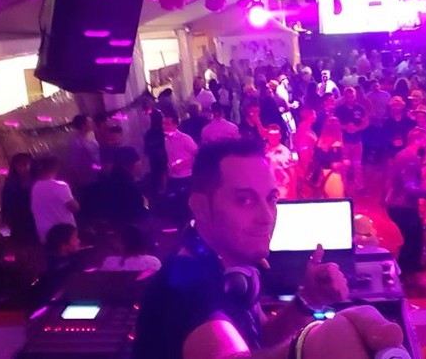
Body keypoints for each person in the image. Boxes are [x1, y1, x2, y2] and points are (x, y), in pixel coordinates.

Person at [133, 140, 403, 359]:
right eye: (244, 200)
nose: (267, 217)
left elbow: (260, 336)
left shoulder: (234, 267)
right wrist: (310, 347)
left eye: (271, 199)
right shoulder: (185, 287)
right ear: (201, 208)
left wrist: (309, 299)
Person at [385, 128, 426, 274]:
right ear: (419, 140)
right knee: (412, 240)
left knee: (410, 239)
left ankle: (408, 270)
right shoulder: (411, 159)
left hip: (397, 203)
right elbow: (410, 189)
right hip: (403, 206)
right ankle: (407, 273)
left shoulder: (403, 154)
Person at [31, 156, 79, 243]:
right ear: (55, 168)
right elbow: (74, 208)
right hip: (64, 233)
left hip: (45, 233)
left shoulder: (35, 187)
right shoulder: (60, 186)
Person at [164, 112, 200, 223]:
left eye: (167, 124)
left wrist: (185, 163)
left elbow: (198, 154)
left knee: (188, 205)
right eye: (163, 123)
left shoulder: (184, 138)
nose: (164, 126)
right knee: (177, 206)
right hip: (173, 177)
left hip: (186, 176)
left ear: (175, 125)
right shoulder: (165, 140)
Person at [335, 87, 369, 194]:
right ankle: (343, 188)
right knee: (344, 166)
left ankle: (359, 187)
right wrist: (345, 127)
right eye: (348, 96)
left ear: (355, 96)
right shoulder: (339, 109)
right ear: (344, 97)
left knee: (357, 165)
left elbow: (366, 122)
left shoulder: (360, 108)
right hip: (344, 141)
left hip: (357, 141)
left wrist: (357, 128)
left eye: (352, 96)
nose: (350, 99)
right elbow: (334, 124)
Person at [1, 153, 37, 243]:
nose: (24, 168)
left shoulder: (37, 181)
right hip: (17, 222)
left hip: (35, 220)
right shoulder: (11, 183)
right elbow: (5, 207)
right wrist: (5, 234)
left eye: (26, 164)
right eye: (20, 165)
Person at [311, 117, 347, 198]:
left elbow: (316, 156)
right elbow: (335, 164)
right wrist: (344, 163)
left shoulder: (319, 140)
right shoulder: (336, 144)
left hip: (320, 173)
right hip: (332, 175)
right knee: (336, 198)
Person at [67, 114, 100, 197]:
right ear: (83, 126)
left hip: (98, 174)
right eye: (89, 122)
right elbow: (76, 163)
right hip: (88, 179)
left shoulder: (91, 137)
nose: (92, 124)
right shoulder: (76, 143)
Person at [265, 124, 296, 200]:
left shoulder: (284, 152)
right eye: (271, 135)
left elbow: (292, 172)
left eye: (275, 135)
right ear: (267, 136)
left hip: (281, 191)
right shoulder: (263, 150)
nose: (273, 137)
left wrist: (292, 191)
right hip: (267, 190)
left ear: (280, 136)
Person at [294, 107, 318, 198]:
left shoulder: (307, 128)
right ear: (309, 116)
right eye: (314, 114)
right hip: (306, 163)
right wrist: (307, 164)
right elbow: (303, 149)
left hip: (310, 161)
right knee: (306, 185)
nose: (315, 116)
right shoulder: (303, 130)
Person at [144, 110, 168, 196]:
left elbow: (146, 149)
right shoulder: (164, 131)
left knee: (156, 174)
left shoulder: (149, 133)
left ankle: (157, 191)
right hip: (163, 155)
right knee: (164, 171)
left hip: (153, 157)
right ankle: (164, 190)